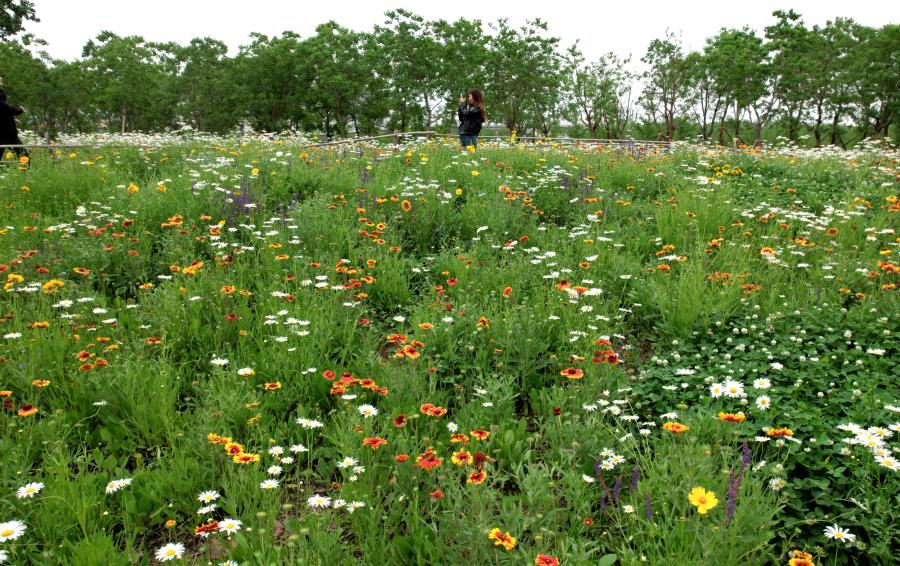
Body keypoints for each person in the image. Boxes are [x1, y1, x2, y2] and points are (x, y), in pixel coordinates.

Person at [0, 88, 27, 160]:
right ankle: (25, 169)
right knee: (23, 154)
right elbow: (7, 108)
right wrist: (20, 109)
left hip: (9, 134)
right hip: (4, 134)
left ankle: (24, 170)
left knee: (23, 154)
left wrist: (13, 119)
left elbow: (3, 112)